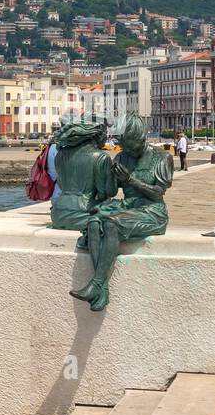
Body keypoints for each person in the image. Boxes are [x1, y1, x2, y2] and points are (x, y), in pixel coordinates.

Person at [71, 114, 172, 312]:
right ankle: (101, 288)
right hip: (128, 206)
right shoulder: (122, 157)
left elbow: (157, 193)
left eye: (131, 146)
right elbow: (109, 191)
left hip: (152, 210)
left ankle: (97, 284)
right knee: (93, 222)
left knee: (111, 224)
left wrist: (130, 180)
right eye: (124, 146)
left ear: (142, 139)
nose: (127, 151)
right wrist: (105, 174)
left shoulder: (162, 158)